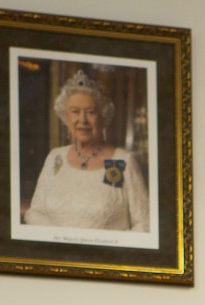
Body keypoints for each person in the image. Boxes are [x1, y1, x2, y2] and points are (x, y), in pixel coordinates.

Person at [24, 69, 149, 231]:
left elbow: (145, 223)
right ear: (66, 117)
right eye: (75, 112)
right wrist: (62, 240)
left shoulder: (123, 161)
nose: (82, 120)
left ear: (103, 117)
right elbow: (35, 213)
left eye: (90, 112)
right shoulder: (55, 157)